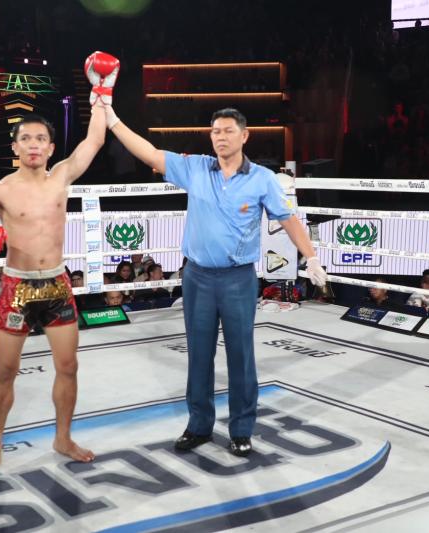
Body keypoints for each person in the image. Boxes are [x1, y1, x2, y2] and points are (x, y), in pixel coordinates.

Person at [102, 104, 327, 457]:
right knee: (199, 354)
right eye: (215, 131)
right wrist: (114, 121)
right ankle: (199, 425)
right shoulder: (195, 168)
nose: (220, 137)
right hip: (197, 278)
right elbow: (150, 153)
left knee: (241, 356)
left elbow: (288, 219)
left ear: (244, 135)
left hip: (238, 278)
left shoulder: (262, 179)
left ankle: (241, 429)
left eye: (227, 131)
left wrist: (310, 257)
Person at [0, 73, 107, 476]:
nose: (33, 144)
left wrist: (101, 93)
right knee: (5, 372)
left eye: (40, 138)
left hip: (57, 283)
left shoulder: (62, 177)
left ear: (51, 147)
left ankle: (63, 438)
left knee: (68, 367)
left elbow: (94, 141)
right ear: (15, 146)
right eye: (26, 138)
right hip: (17, 287)